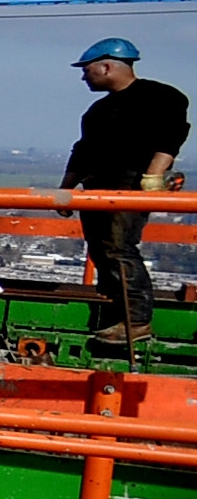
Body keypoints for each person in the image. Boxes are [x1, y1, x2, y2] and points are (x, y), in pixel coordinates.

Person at [61, 38, 187, 349]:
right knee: (102, 250)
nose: (83, 76)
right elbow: (83, 151)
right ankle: (117, 311)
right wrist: (66, 190)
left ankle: (136, 321)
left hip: (129, 184)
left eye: (87, 70)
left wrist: (154, 175)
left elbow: (171, 137)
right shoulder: (98, 111)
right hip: (97, 187)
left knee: (119, 249)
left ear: (107, 66)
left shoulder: (160, 97)